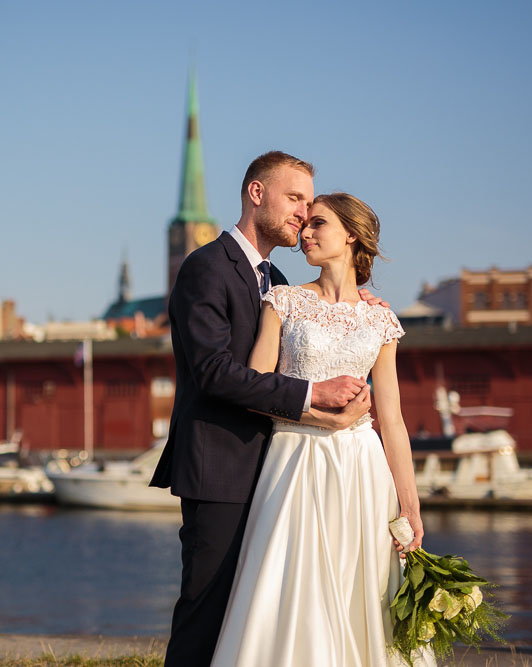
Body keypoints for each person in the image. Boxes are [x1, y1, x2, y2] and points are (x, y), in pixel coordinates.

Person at [150, 152, 386, 667]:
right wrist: (311, 395)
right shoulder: (206, 267)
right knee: (206, 614)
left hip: (281, 474)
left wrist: (356, 305)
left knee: (260, 623)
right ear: (257, 194)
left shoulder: (277, 279)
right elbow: (212, 371)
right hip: (221, 468)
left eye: (309, 203)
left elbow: (314, 320)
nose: (303, 213)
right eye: (295, 198)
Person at [209, 192, 433, 666]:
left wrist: (410, 507)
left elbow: (391, 420)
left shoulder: (380, 318)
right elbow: (258, 387)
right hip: (294, 460)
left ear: (351, 235)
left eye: (319, 224)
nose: (305, 233)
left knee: (362, 586)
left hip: (363, 472)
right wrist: (321, 414)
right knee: (294, 586)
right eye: (305, 224)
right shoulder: (283, 300)